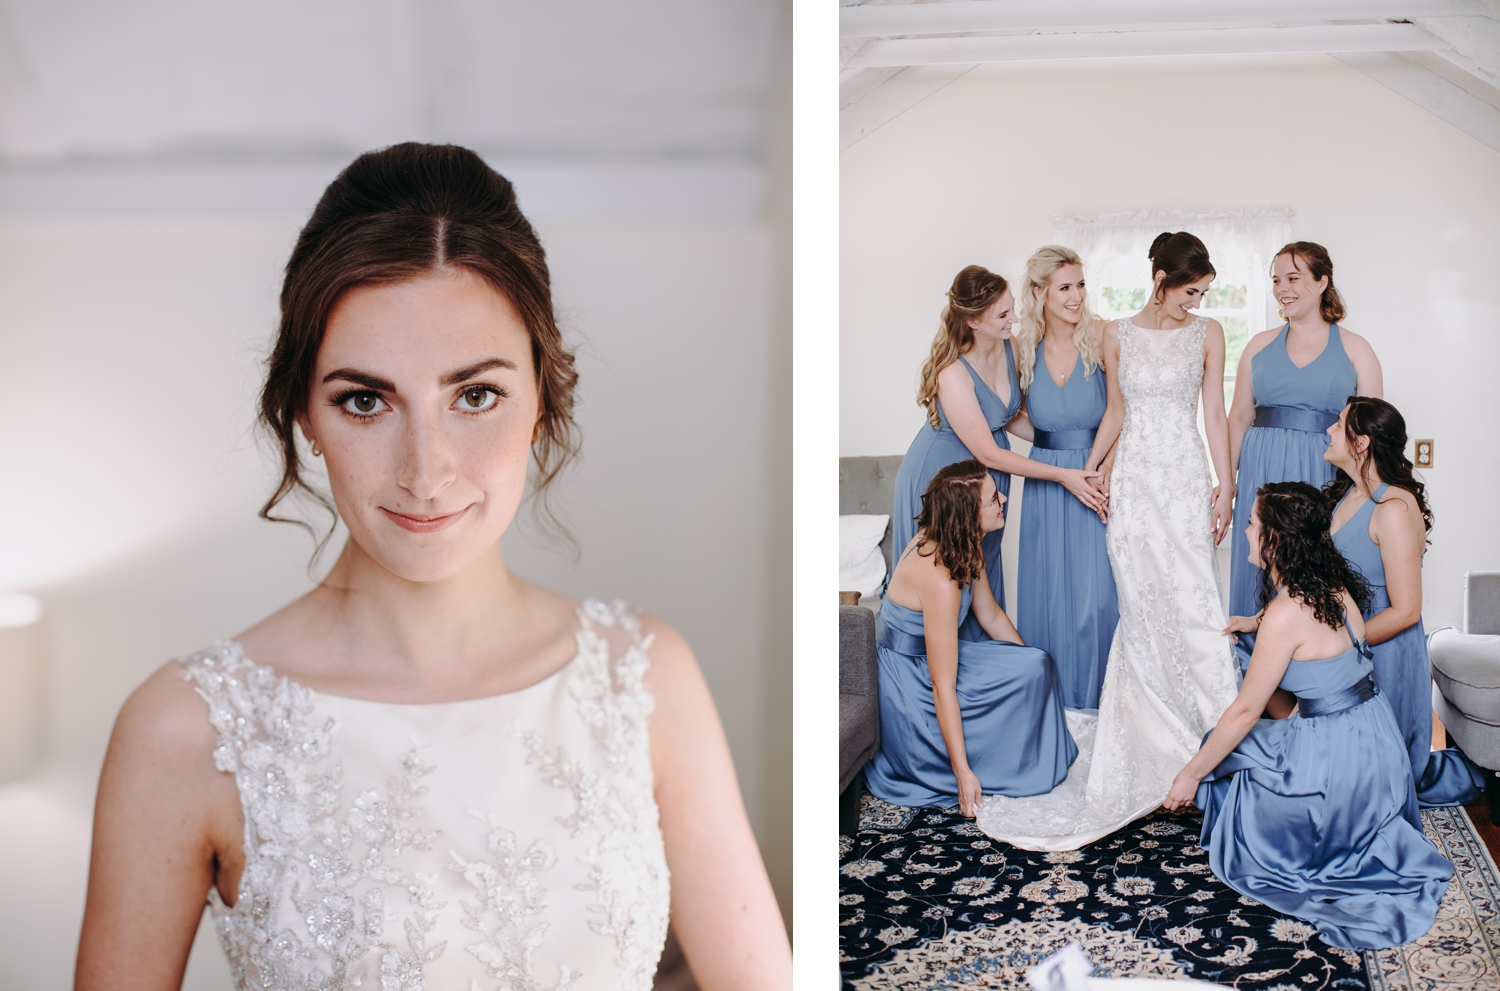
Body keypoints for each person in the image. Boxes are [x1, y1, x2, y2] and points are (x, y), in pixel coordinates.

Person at [75, 144, 790, 990]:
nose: (427, 469)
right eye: (365, 400)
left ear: (541, 398)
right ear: (304, 410)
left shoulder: (643, 674)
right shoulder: (187, 730)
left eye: (475, 395)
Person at [975, 232, 1238, 851]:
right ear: (1160, 280)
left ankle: (1210, 743)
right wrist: (1092, 472)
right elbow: (1116, 412)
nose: (1193, 302)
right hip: (1133, 485)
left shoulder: (1209, 333)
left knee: (1195, 603)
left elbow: (1214, 414)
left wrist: (1225, 486)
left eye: (1202, 293)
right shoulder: (1116, 334)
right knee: (1140, 610)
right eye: (1187, 291)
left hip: (1184, 481)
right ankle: (1147, 746)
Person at [1165, 483, 1452, 952]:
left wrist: (1188, 776)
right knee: (1252, 738)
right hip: (1378, 744)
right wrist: (1255, 624)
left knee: (1224, 757)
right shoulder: (1335, 589)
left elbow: (1242, 712)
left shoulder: (1285, 614)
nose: (1247, 533)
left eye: (1253, 524)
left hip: (1338, 768)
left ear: (1276, 539)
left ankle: (1277, 835)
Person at [890, 265, 1105, 639]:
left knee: (979, 569)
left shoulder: (1009, 348)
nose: (1015, 319)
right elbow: (987, 451)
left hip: (984, 477)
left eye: (1012, 309)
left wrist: (1068, 443)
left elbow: (1007, 418)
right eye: (1003, 314)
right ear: (973, 321)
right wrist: (1062, 474)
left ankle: (983, 668)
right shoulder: (953, 373)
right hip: (945, 473)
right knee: (943, 573)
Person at [865, 459, 1077, 817]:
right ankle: (984, 763)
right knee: (1027, 673)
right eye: (994, 499)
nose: (1004, 500)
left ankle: (1022, 748)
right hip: (908, 681)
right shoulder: (941, 580)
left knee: (1038, 664)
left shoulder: (962, 541)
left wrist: (1029, 668)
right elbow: (941, 685)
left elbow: (991, 615)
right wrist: (963, 774)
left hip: (929, 661)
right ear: (968, 514)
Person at [1323, 397, 1483, 813]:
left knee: (1364, 783)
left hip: (1384, 649)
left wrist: (1343, 642)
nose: (1327, 431)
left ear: (1361, 443)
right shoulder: (1350, 495)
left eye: (1338, 426)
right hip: (1351, 637)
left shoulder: (1392, 507)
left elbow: (1407, 610)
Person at [1226, 242, 1382, 619]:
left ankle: (1317, 666)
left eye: (1293, 278)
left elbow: (1372, 433)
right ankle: (1254, 668)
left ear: (1322, 281)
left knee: (1315, 576)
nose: (1282, 288)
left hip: (1324, 476)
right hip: (1259, 474)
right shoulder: (1258, 346)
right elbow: (1238, 418)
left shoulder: (1356, 349)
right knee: (1257, 568)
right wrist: (1227, 484)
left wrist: (1371, 496)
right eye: (1276, 280)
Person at [1011, 245, 1119, 710]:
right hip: (1047, 480)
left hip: (1096, 479)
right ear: (1039, 293)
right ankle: (1051, 708)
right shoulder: (1020, 348)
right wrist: (1052, 451)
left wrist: (1095, 470)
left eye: (1080, 285)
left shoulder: (1103, 335)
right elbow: (1011, 416)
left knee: (1098, 600)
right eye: (1065, 288)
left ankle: (1100, 706)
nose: (1076, 296)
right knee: (1047, 595)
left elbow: (1121, 410)